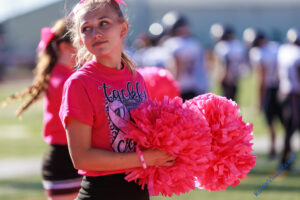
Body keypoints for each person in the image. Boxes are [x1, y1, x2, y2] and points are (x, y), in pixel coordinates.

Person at [59, 0, 176, 199]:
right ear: (80, 38)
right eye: (86, 28)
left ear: (123, 28)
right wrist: (145, 158)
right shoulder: (79, 83)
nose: (95, 33)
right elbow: (82, 158)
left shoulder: (136, 77)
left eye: (104, 23)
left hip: (138, 191)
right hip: (102, 192)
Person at [2, 19, 81, 199]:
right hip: (65, 160)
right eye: (79, 42)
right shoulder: (66, 80)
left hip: (65, 158)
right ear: (64, 47)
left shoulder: (62, 75)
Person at [244, 28, 282, 159]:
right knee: (285, 121)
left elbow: (262, 78)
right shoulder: (275, 47)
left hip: (269, 89)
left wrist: (258, 99)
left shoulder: (258, 53)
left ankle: (273, 150)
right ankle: (283, 151)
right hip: (282, 87)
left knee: (270, 121)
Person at [161, 11, 210, 101]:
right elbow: (204, 67)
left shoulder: (172, 44)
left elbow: (175, 67)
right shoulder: (195, 43)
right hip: (195, 86)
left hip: (179, 86)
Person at [277, 28, 300, 169]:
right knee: (292, 128)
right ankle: (286, 160)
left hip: (284, 92)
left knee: (288, 128)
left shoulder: (284, 51)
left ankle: (285, 160)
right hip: (295, 95)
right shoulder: (296, 54)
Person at [211, 23, 248, 101]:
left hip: (227, 76)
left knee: (225, 99)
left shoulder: (222, 46)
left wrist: (222, 76)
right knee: (233, 99)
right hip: (236, 75)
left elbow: (226, 62)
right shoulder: (238, 45)